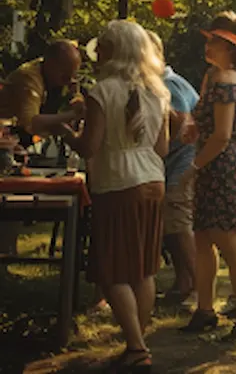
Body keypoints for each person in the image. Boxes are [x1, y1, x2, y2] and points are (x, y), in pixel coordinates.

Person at [62, 21, 170, 372]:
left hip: (117, 183)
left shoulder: (101, 91)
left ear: (113, 51)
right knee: (143, 268)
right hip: (153, 180)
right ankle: (140, 339)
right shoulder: (158, 91)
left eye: (102, 47)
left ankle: (136, 347)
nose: (97, 54)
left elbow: (89, 147)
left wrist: (66, 130)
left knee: (112, 270)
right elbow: (163, 146)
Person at [180, 14, 236, 342]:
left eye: (213, 39)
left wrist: (194, 166)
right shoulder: (217, 76)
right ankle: (205, 310)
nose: (207, 44)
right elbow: (214, 127)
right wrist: (193, 129)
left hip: (223, 169)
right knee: (203, 240)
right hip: (221, 166)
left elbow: (224, 135)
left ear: (229, 46)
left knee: (231, 246)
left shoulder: (228, 80)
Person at [0, 40, 84, 258]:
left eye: (73, 75)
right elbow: (31, 122)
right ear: (51, 64)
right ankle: (6, 251)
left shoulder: (55, 78)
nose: (69, 80)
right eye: (65, 75)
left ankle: (8, 251)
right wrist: (72, 116)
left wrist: (75, 96)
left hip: (15, 142)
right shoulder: (29, 79)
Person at [147, 32, 200, 306]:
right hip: (175, 164)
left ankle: (197, 289)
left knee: (179, 225)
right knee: (172, 225)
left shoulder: (168, 84)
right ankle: (184, 282)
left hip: (183, 163)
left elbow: (180, 123)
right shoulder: (164, 83)